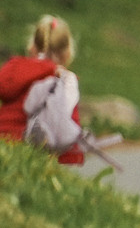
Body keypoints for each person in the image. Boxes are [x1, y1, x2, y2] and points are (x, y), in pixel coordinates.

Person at [1, 15, 87, 166]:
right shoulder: (65, 82)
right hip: (38, 156)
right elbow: (66, 128)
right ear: (67, 53)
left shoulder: (13, 70)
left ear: (32, 46)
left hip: (4, 145)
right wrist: (69, 162)